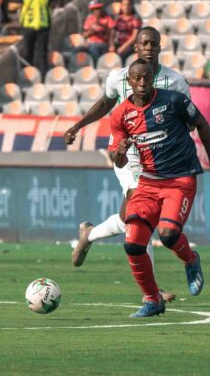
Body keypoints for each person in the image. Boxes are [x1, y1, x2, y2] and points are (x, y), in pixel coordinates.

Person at [64, 27, 188, 304]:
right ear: (136, 47)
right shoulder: (118, 77)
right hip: (127, 153)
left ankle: (89, 234)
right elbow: (105, 104)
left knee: (129, 217)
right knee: (141, 208)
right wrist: (78, 126)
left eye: (153, 43)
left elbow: (189, 121)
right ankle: (152, 291)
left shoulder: (175, 81)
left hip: (159, 157)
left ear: (160, 47)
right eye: (144, 43)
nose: (149, 47)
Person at [108, 59, 210, 318]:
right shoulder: (120, 115)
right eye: (137, 78)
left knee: (168, 235)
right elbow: (118, 160)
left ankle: (191, 259)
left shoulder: (173, 100)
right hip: (148, 182)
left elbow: (202, 124)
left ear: (152, 78)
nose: (142, 82)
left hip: (180, 179)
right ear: (129, 81)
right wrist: (119, 152)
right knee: (133, 244)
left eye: (146, 77)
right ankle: (153, 300)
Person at [19, 0, 52, 72]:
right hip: (28, 23)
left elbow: (50, 4)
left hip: (43, 24)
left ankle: (43, 75)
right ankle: (26, 75)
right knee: (27, 51)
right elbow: (21, 3)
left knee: (42, 53)